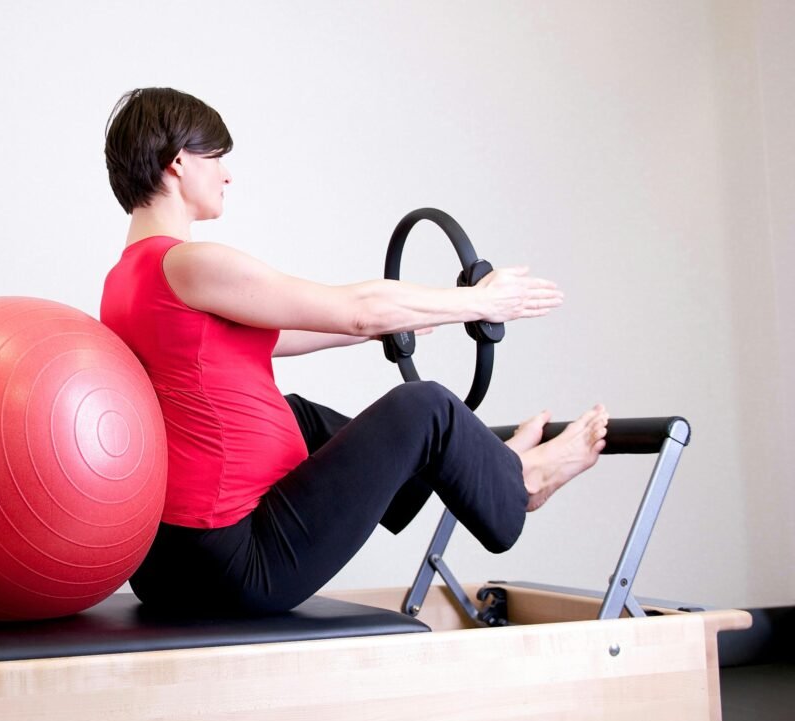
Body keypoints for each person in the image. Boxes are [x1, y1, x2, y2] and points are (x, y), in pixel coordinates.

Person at [100, 87, 608, 616]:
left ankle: (492, 467)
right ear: (178, 162)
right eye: (217, 157)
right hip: (234, 564)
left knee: (296, 413)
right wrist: (479, 300)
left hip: (168, 564)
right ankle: (519, 484)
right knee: (425, 406)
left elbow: (285, 332)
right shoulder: (191, 264)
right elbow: (357, 306)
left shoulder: (128, 277)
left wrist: (384, 327)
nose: (227, 174)